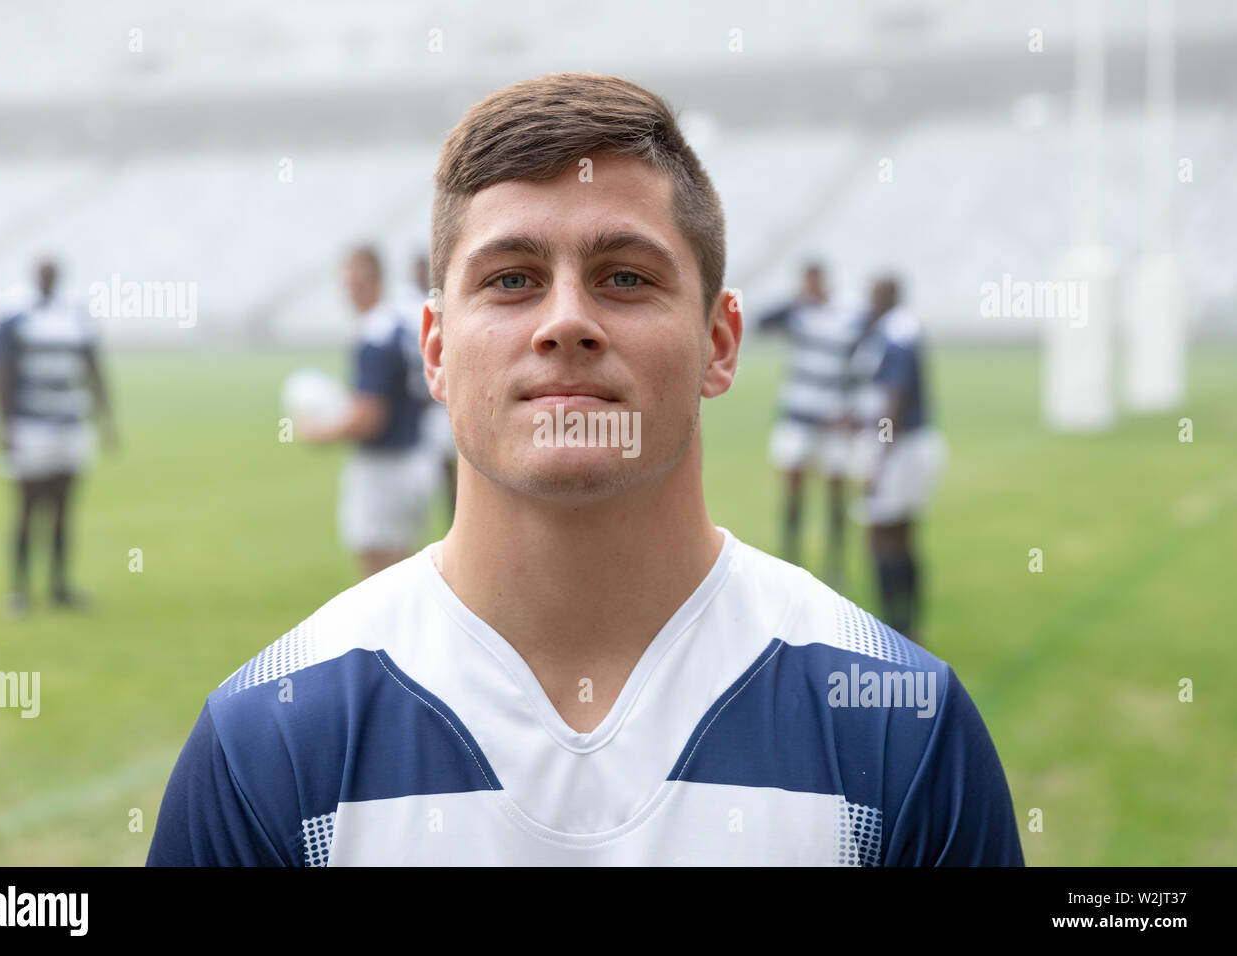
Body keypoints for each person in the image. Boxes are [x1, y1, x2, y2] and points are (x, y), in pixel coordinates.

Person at [148, 73, 1021, 866]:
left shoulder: (898, 727)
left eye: (627, 278)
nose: (566, 322)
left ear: (719, 344)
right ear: (437, 350)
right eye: (513, 279)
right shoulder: (269, 738)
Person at [0, 258, 117, 617]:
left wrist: (105, 419)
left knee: (64, 507)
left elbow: (93, 366)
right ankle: (18, 591)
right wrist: (5, 426)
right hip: (31, 424)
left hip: (70, 422)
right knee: (27, 507)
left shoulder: (75, 314)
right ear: (35, 276)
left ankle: (60, 586)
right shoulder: (14, 314)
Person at [301, 246, 435, 579]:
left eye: (357, 281)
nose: (351, 291)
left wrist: (319, 432)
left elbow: (370, 418)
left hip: (383, 467)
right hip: (416, 457)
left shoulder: (374, 335)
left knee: (380, 576)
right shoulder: (401, 325)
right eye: (347, 282)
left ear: (375, 280)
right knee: (403, 570)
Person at [848, 277, 946, 645]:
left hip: (899, 447)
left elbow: (895, 399)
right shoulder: (902, 328)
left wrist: (881, 457)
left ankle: (891, 628)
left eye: (873, 293)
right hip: (913, 444)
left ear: (887, 296)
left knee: (881, 537)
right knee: (904, 536)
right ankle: (910, 625)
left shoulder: (895, 333)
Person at [758, 262, 865, 582]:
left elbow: (859, 363)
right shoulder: (798, 313)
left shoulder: (848, 314)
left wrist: (853, 410)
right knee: (793, 490)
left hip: (833, 419)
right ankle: (791, 560)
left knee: (835, 492)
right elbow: (763, 322)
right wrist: (795, 300)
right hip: (798, 417)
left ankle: (835, 564)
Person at [412, 250, 458, 518]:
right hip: (427, 403)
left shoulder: (443, 298)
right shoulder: (408, 306)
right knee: (437, 467)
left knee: (453, 465)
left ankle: (455, 511)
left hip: (442, 401)